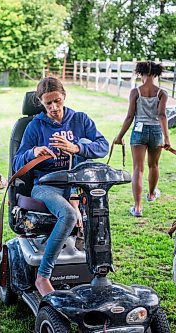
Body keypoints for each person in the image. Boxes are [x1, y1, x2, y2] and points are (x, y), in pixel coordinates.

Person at [13, 77, 109, 296]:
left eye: (57, 101)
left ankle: (98, 271)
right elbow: (17, 162)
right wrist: (33, 152)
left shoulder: (80, 120)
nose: (54, 108)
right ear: (41, 103)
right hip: (46, 186)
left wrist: (76, 148)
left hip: (76, 184)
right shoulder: (35, 126)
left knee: (99, 205)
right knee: (67, 214)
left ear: (64, 96)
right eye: (48, 104)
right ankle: (43, 276)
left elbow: (102, 146)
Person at [113, 61, 170, 217]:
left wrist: (119, 136)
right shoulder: (162, 93)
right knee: (154, 165)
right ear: (156, 74)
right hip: (157, 131)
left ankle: (137, 207)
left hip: (139, 131)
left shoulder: (135, 92)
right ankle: (151, 195)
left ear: (141, 73)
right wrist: (167, 138)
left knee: (138, 169)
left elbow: (130, 116)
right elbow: (162, 116)